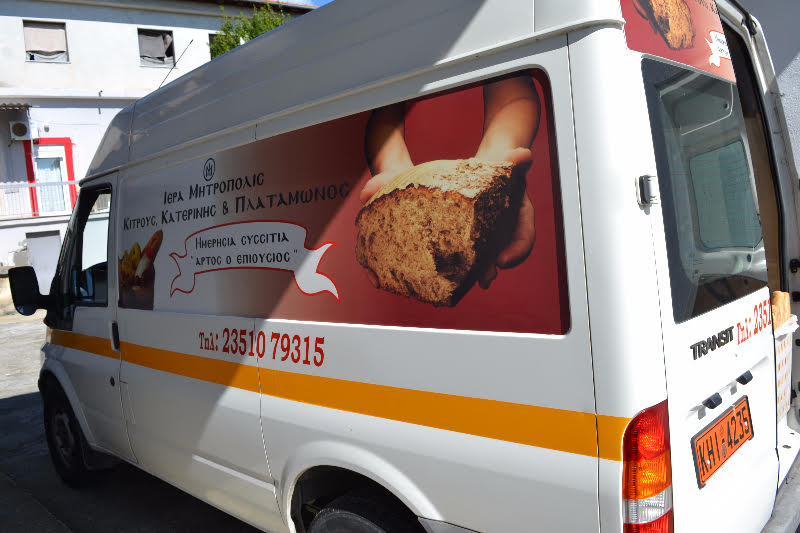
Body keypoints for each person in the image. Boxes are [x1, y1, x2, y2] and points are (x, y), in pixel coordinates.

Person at [360, 72, 541, 288]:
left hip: (473, 172)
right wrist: (391, 168)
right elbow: (384, 111)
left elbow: (512, 88)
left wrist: (497, 168)